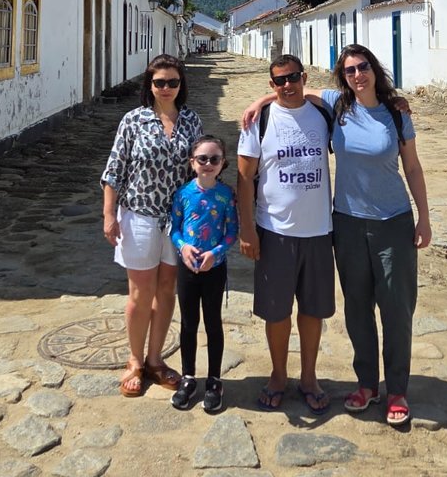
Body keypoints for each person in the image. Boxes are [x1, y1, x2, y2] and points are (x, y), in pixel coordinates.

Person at [242, 45, 429, 427]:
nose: (358, 75)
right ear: (342, 77)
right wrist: (261, 99)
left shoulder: (395, 114)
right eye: (349, 70)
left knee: (396, 309)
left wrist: (424, 217)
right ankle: (366, 384)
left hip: (391, 221)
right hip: (345, 222)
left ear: (374, 69)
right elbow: (293, 95)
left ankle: (396, 390)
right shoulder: (337, 106)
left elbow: (412, 167)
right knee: (357, 308)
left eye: (363, 67)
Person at [237, 54, 335, 414]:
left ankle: (309, 376)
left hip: (319, 229)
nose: (287, 85)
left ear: (304, 77)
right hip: (274, 230)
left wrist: (396, 103)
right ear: (271, 84)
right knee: (276, 313)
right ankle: (278, 375)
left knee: (313, 311)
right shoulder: (259, 121)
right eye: (279, 81)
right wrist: (247, 229)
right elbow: (244, 178)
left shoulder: (323, 115)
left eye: (293, 77)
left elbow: (355, 99)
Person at [101, 54, 203, 397]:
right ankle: (134, 360)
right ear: (150, 85)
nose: (166, 88)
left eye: (173, 82)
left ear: (181, 85)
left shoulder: (191, 121)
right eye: (159, 82)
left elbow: (198, 169)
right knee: (139, 292)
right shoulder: (134, 120)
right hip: (140, 217)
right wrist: (109, 215)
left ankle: (155, 359)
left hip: (177, 221)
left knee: (167, 290)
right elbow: (114, 170)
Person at [169, 134, 239, 413]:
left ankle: (214, 379)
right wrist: (183, 247)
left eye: (214, 159)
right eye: (202, 159)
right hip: (187, 268)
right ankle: (188, 377)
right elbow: (174, 228)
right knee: (188, 323)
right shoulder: (182, 194)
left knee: (212, 322)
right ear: (192, 162)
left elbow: (232, 231)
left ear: (222, 163)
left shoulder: (226, 195)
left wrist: (215, 253)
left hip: (214, 268)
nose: (208, 164)